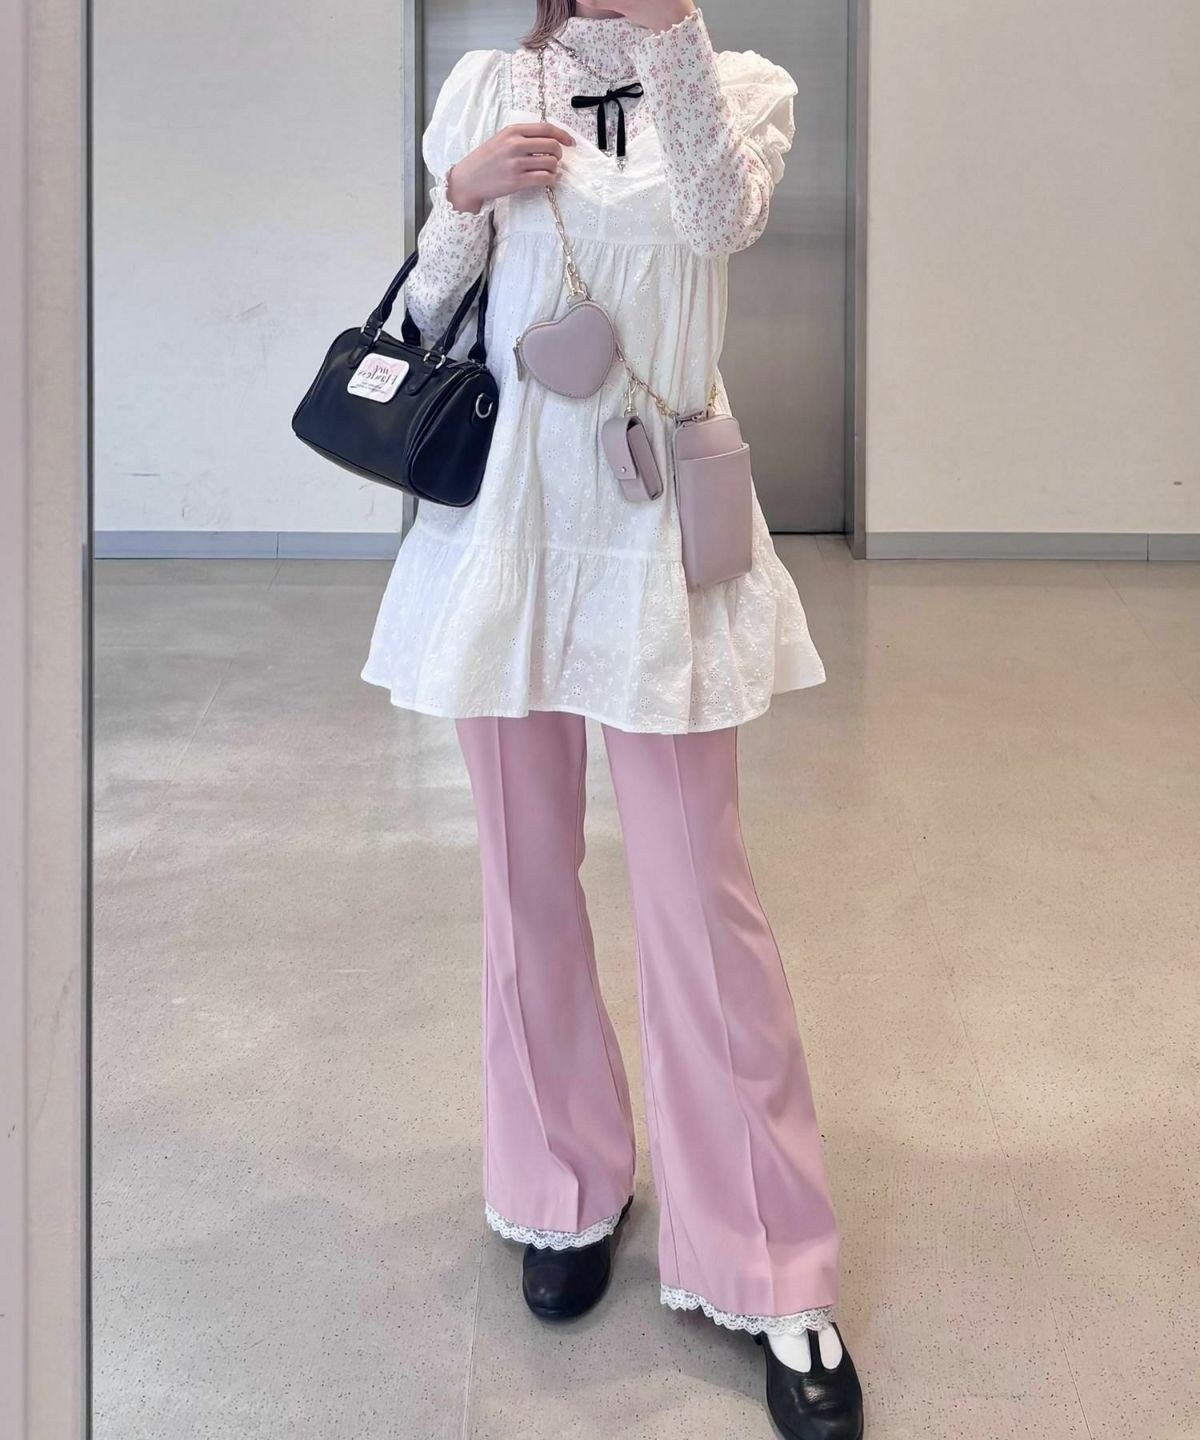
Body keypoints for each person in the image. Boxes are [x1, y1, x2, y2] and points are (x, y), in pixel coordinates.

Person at [361, 3, 864, 1436]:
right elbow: (422, 311)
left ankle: (773, 1264)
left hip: (656, 530)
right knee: (524, 882)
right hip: (507, 533)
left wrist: (677, 39)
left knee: (700, 899)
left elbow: (718, 223)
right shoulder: (488, 83)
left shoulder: (738, 82)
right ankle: (560, 1189)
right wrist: (464, 197)